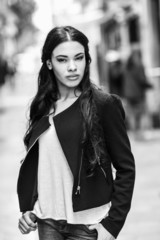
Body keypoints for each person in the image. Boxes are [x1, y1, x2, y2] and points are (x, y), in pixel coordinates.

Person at [17, 26, 135, 240]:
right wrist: (28, 206)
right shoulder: (42, 106)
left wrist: (112, 224)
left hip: (88, 226)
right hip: (47, 222)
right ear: (49, 63)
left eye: (78, 58)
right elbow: (42, 162)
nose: (72, 67)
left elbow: (126, 169)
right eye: (62, 60)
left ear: (87, 60)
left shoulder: (103, 105)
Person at [123, 49, 152, 133]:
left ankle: (134, 132)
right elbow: (142, 80)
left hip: (128, 93)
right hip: (137, 93)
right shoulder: (139, 66)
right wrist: (150, 85)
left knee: (132, 113)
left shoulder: (126, 67)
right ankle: (140, 131)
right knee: (140, 112)